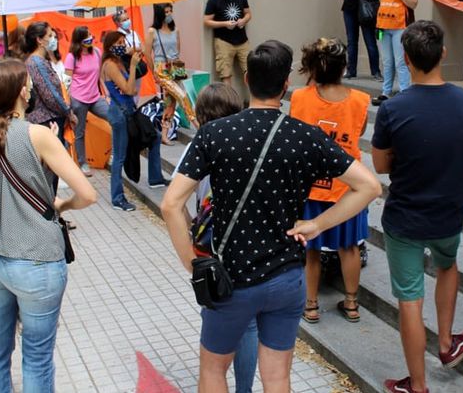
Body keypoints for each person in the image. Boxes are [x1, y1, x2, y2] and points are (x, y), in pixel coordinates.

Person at [160, 40, 381, 393]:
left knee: (214, 370)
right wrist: (317, 224)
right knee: (277, 377)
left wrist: (192, 263)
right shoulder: (306, 137)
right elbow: (369, 186)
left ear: (246, 79)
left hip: (231, 277)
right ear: (286, 86)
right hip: (286, 277)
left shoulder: (215, 133)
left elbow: (171, 204)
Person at [0, 58, 97, 393]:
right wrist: (61, 204)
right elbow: (88, 194)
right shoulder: (38, 135)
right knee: (36, 356)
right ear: (24, 90)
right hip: (35, 261)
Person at [371, 21, 463, 393]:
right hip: (449, 209)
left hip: (406, 215)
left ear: (405, 58)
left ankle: (417, 385)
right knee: (448, 266)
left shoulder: (393, 109)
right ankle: (448, 343)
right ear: (443, 56)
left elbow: (382, 166)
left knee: (409, 299)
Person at [288, 37, 371, 325]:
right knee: (348, 247)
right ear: (345, 68)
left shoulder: (300, 98)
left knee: (311, 250)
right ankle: (351, 304)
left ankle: (310, 306)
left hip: (311, 188)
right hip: (348, 188)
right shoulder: (361, 100)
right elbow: (357, 133)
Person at [184, 82, 260, 393]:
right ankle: (244, 388)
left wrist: (191, 232)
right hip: (249, 244)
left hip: (211, 250)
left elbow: (174, 201)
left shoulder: (200, 146)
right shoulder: (252, 143)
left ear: (201, 116)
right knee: (250, 324)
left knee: (214, 318)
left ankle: (215, 377)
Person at [101, 31, 168, 212]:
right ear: (109, 46)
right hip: (120, 114)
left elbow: (142, 72)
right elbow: (129, 89)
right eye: (119, 42)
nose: (122, 44)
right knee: (120, 156)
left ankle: (155, 178)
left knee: (154, 136)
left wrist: (135, 58)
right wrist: (131, 66)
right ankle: (117, 198)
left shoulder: (119, 60)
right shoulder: (110, 65)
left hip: (130, 111)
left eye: (123, 41)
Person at [372, 0, 418, 106]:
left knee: (400, 61)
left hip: (400, 26)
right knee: (387, 61)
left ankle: (405, 91)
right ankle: (386, 92)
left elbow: (412, 3)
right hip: (383, 25)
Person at [148, 3, 197, 144]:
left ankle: (164, 134)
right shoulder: (153, 31)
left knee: (170, 103)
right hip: (161, 69)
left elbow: (178, 51)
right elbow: (147, 53)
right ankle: (198, 126)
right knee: (183, 96)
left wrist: (176, 66)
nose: (169, 14)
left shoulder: (176, 30)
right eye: (166, 12)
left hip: (175, 68)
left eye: (170, 11)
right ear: (160, 14)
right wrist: (154, 73)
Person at [23, 22, 74, 151]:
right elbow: (50, 95)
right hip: (47, 121)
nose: (53, 39)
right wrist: (68, 112)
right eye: (50, 35)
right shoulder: (37, 63)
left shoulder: (39, 61)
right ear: (39, 40)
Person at [65, 25, 109, 176]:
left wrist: (107, 94)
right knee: (80, 132)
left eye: (91, 34)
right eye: (87, 36)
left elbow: (100, 76)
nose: (90, 38)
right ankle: (83, 163)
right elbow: (67, 81)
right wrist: (69, 104)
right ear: (79, 40)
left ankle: (115, 154)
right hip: (78, 99)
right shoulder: (72, 57)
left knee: (115, 118)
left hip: (96, 97)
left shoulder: (97, 52)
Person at [204, 0, 252, 87]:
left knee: (251, 70)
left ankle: (254, 101)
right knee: (226, 74)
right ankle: (230, 103)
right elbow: (206, 21)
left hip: (242, 40)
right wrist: (225, 24)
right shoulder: (213, 0)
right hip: (223, 42)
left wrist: (243, 20)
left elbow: (248, 13)